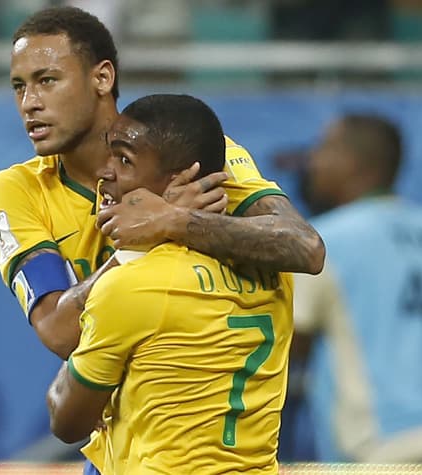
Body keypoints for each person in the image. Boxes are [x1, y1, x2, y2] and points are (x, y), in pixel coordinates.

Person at [0, 5, 321, 472]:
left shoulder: (195, 151)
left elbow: (303, 247)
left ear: (102, 78)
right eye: (19, 86)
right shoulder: (16, 190)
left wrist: (176, 223)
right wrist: (135, 247)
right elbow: (61, 334)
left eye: (47, 80)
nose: (30, 103)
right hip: (119, 448)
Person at [46, 94, 294, 474]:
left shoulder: (133, 285)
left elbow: (66, 420)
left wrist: (132, 254)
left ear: (181, 179)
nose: (104, 172)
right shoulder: (277, 272)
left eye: (124, 160)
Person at [293, 114, 422, 463]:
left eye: (323, 149)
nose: (312, 161)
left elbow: (281, 342)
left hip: (390, 448)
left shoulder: (324, 240)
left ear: (350, 162)